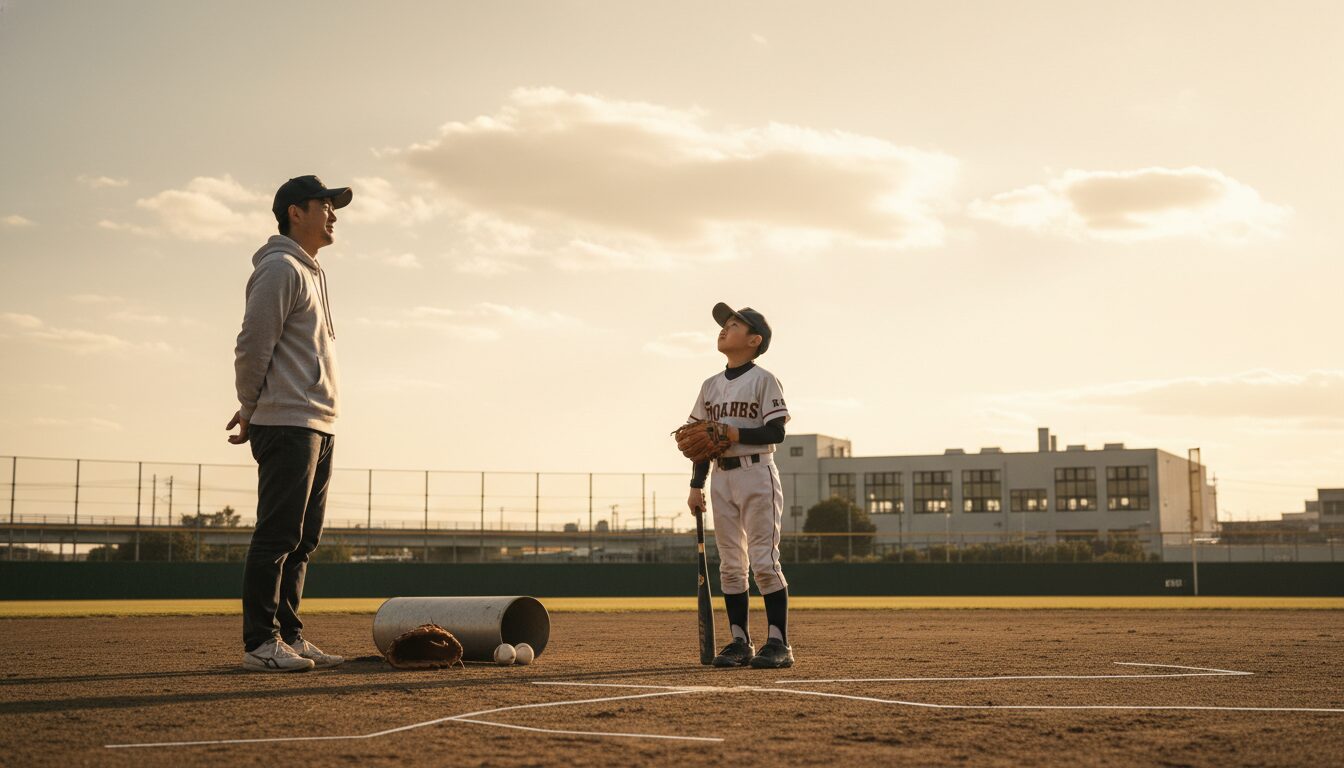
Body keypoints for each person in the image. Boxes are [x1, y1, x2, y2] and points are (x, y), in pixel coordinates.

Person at [228, 175, 352, 672]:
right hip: (287, 421)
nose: (334, 214)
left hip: (318, 422)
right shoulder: (280, 268)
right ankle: (261, 642)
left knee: (303, 540)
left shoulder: (313, 272)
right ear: (295, 211)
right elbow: (252, 344)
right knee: (278, 536)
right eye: (326, 204)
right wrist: (250, 406)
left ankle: (291, 636)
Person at [685, 303, 793, 669]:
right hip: (720, 477)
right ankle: (739, 641)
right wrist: (695, 485)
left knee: (763, 561)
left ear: (754, 340)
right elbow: (701, 440)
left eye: (733, 325)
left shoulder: (764, 379)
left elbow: (776, 430)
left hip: (756, 472)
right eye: (724, 324)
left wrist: (735, 432)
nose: (724, 329)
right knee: (731, 565)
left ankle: (778, 643)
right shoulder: (710, 386)